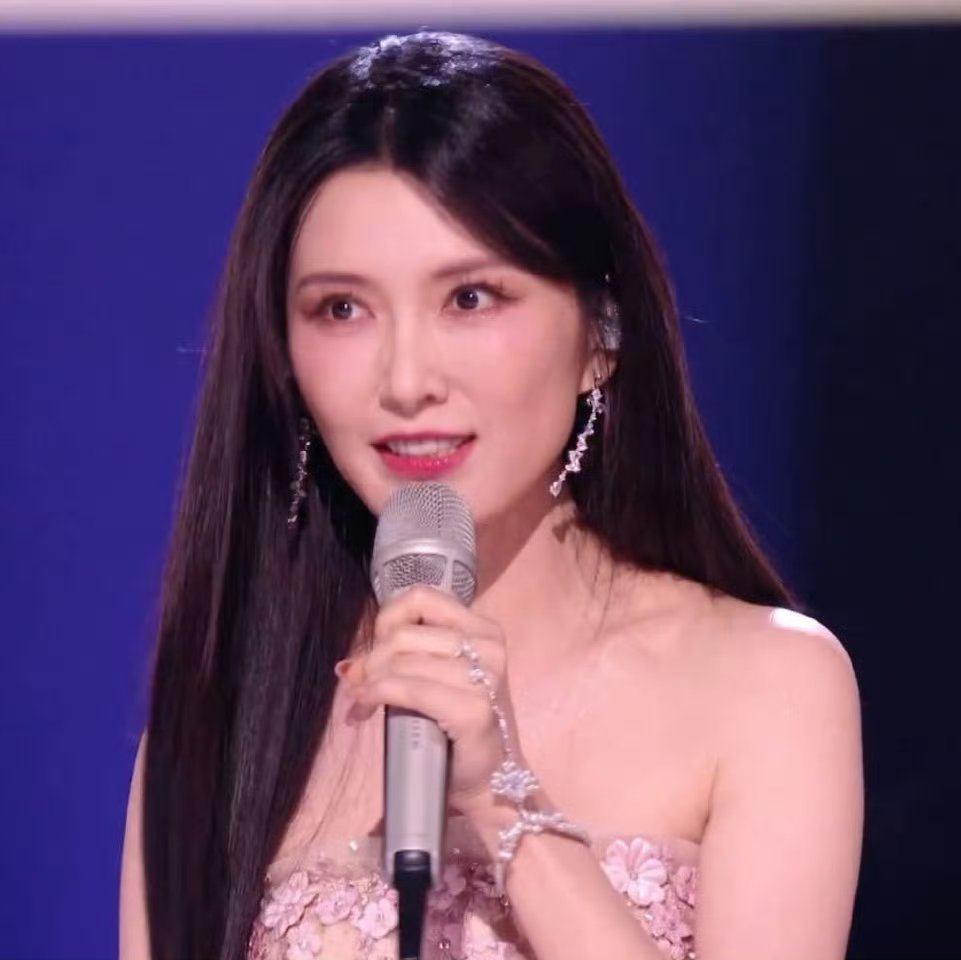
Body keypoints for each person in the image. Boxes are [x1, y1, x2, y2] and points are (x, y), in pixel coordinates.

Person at [119, 30, 863, 960]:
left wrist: (502, 798)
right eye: (342, 309)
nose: (406, 381)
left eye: (470, 298)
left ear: (601, 333)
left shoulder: (766, 682)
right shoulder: (214, 730)